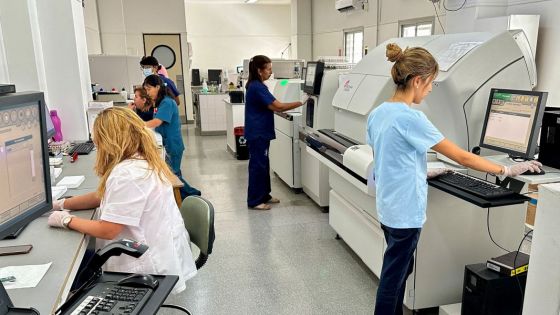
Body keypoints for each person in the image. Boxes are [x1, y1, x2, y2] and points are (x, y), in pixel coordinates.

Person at [367, 43, 542, 315]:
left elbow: (388, 160)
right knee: (392, 280)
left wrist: (422, 172)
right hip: (405, 214)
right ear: (417, 80)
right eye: (431, 83)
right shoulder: (412, 118)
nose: (430, 89)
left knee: (401, 270)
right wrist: (507, 171)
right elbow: (464, 158)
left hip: (388, 209)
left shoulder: (378, 113)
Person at [47, 107, 197, 294]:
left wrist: (66, 220)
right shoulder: (141, 160)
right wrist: (61, 203)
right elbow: (101, 196)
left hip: (143, 265)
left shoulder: (127, 174)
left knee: (68, 277)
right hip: (157, 250)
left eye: (98, 140)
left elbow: (108, 230)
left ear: (109, 141)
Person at [244, 55, 309, 210]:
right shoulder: (257, 87)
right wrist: (301, 101)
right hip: (257, 133)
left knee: (264, 164)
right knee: (257, 166)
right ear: (260, 71)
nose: (271, 72)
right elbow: (278, 106)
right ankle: (254, 201)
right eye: (268, 69)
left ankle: (264, 194)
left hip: (260, 131)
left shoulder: (257, 85)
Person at [143, 74, 201, 198]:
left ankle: (192, 194)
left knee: (171, 174)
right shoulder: (159, 102)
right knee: (174, 172)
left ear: (157, 87)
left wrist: (138, 125)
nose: (147, 92)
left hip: (172, 144)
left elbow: (157, 121)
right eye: (146, 90)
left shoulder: (167, 102)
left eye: (149, 89)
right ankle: (187, 195)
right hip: (167, 142)